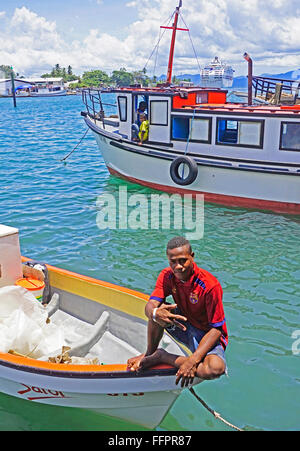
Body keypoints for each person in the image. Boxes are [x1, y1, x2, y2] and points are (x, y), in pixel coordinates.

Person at [127, 236, 228, 387]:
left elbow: (216, 329)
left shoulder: (209, 285)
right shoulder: (166, 276)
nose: (178, 266)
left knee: (215, 369)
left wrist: (192, 361)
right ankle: (150, 354)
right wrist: (155, 313)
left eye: (183, 260)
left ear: (192, 257)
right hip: (183, 324)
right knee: (157, 310)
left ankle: (162, 356)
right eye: (173, 262)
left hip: (205, 334)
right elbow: (150, 305)